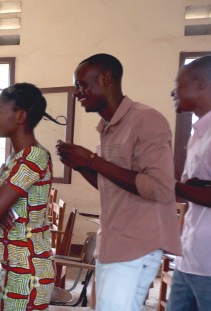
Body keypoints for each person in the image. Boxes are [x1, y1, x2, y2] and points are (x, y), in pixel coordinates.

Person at [56, 53, 182, 310]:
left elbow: (160, 187)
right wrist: (79, 165)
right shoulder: (109, 127)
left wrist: (91, 160)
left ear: (106, 78)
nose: (78, 93)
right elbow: (109, 183)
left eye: (82, 85)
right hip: (114, 242)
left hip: (136, 246)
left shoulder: (145, 120)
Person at [0, 83, 65, 310]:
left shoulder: (33, 157)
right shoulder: (15, 158)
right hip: (13, 266)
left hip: (28, 273)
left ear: (21, 116)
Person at [168, 55, 211, 311]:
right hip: (190, 256)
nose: (174, 92)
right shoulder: (200, 132)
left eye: (179, 84)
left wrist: (173, 186)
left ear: (203, 85)